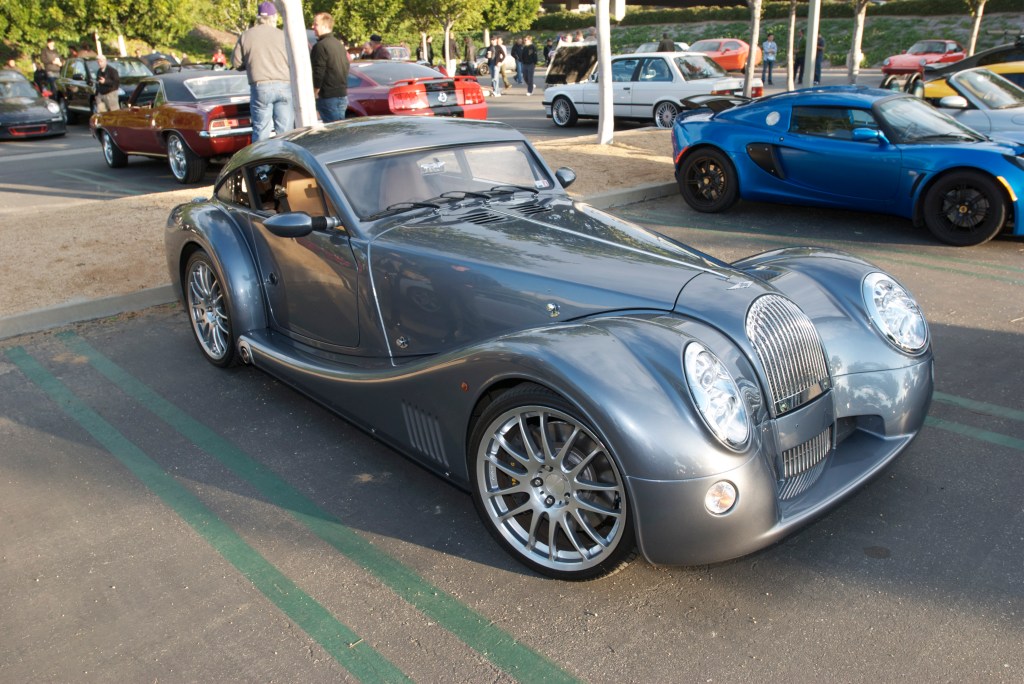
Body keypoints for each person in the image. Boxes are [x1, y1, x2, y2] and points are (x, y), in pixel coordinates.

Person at [232, 1, 293, 142]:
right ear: (274, 17)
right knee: (286, 132)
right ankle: (285, 162)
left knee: (261, 130)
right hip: (284, 85)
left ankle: (261, 164)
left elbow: (236, 63)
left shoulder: (246, 36)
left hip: (260, 87)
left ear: (258, 17)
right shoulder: (283, 35)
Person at [310, 11, 349, 123]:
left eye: (316, 24)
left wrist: (314, 92)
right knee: (340, 130)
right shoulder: (338, 45)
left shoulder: (320, 47)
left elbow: (318, 72)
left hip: (328, 96)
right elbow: (346, 66)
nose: (313, 27)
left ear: (325, 26)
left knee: (334, 135)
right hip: (341, 95)